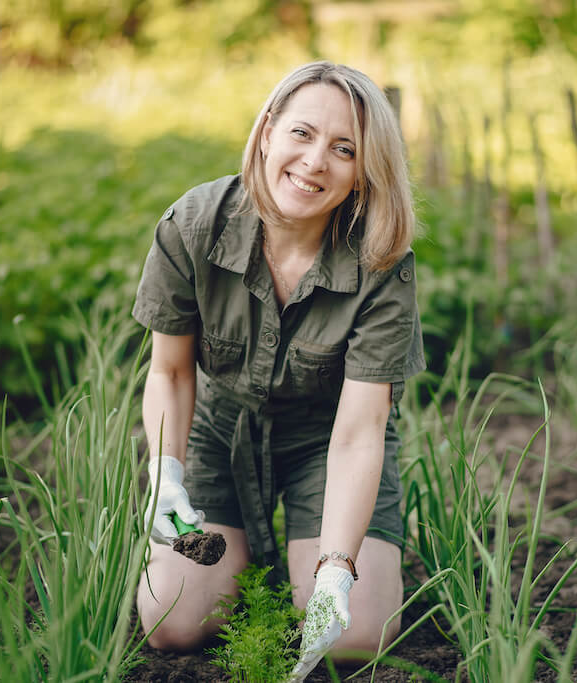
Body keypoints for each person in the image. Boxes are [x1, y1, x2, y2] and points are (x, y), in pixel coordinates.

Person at [131, 60, 425, 679]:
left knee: (355, 636)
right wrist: (167, 475)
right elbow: (172, 374)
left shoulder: (380, 261)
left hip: (327, 440)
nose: (316, 161)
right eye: (302, 133)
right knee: (174, 622)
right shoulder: (193, 225)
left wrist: (337, 569)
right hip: (222, 430)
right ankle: (245, 550)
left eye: (344, 149)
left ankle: (322, 559)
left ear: (364, 170)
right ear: (266, 131)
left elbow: (359, 431)